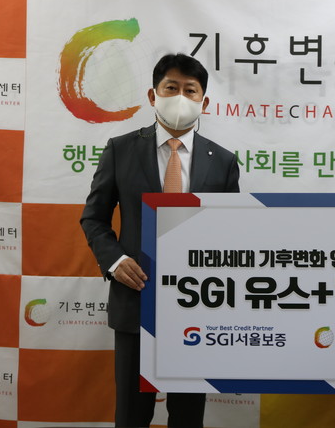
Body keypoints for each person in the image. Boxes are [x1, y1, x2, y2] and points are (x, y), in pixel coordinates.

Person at [80, 53, 240, 427]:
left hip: (197, 307)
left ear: (204, 102)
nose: (180, 97)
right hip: (135, 300)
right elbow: (94, 217)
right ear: (153, 95)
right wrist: (115, 261)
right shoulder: (120, 149)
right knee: (132, 416)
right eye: (171, 88)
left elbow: (232, 232)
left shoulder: (223, 161)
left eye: (190, 90)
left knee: (188, 417)